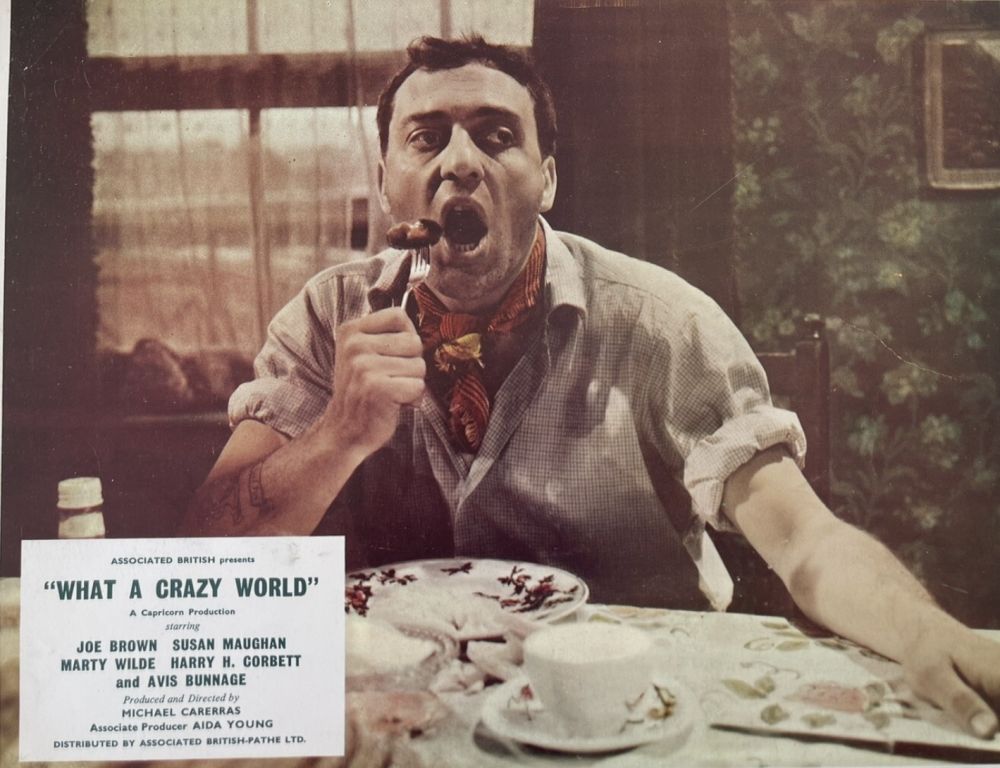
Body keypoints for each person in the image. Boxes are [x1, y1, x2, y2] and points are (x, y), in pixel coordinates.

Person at [179, 35, 1000, 739]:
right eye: (426, 139)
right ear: (390, 180)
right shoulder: (327, 317)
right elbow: (207, 555)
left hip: (628, 710)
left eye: (496, 136)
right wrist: (339, 436)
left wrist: (921, 630)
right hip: (410, 714)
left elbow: (805, 541)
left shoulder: (661, 322)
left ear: (546, 181)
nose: (459, 162)